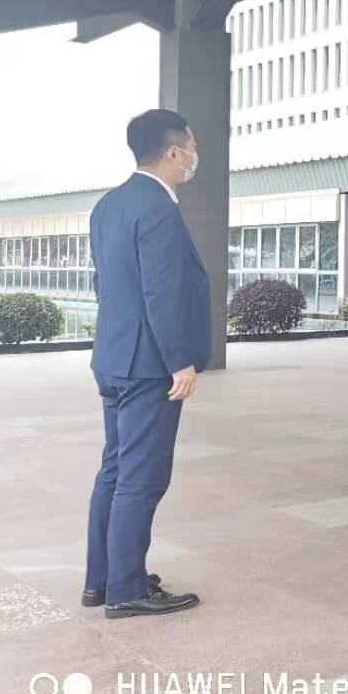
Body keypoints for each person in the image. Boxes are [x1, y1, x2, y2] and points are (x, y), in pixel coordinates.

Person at [84, 109, 209, 619]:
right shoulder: (158, 208)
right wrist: (179, 361)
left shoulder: (108, 205)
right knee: (142, 477)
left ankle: (101, 580)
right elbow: (161, 291)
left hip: (114, 356)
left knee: (115, 470)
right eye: (192, 148)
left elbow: (106, 284)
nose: (195, 157)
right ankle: (127, 589)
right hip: (147, 364)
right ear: (174, 152)